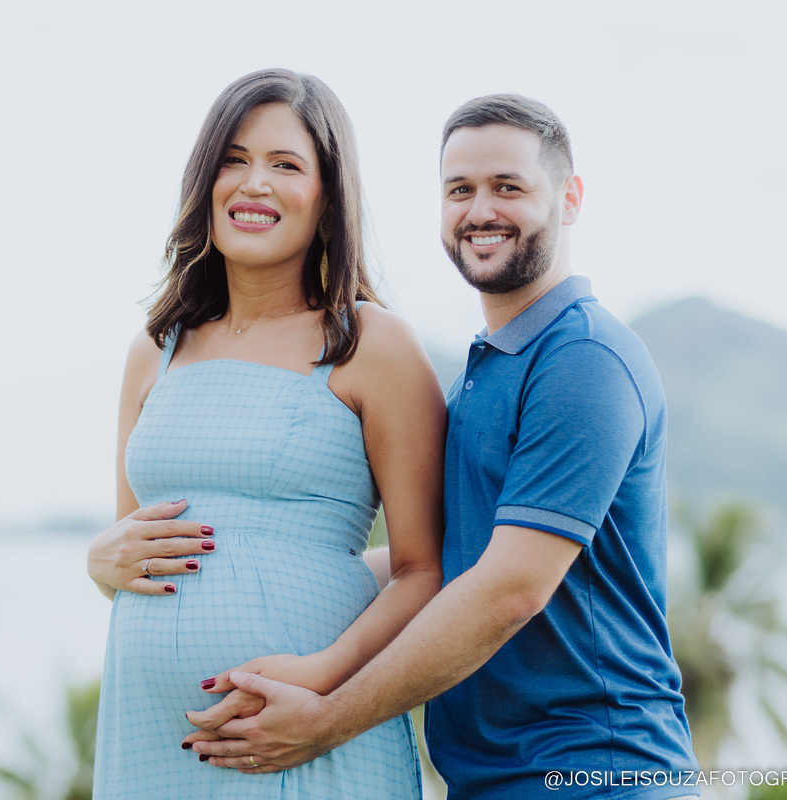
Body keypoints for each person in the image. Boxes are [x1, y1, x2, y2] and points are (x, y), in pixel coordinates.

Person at [184, 94, 700, 799]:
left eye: (508, 187)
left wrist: (326, 719)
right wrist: (236, 566)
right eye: (460, 190)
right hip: (492, 781)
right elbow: (439, 555)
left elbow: (507, 589)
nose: (479, 210)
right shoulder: (483, 372)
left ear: (569, 198)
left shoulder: (583, 359)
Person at [86, 68, 446, 799]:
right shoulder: (154, 350)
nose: (255, 184)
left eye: (286, 165)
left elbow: (424, 573)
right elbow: (136, 548)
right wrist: (100, 563)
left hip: (303, 732)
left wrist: (321, 681)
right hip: (150, 735)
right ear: (205, 182)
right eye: (235, 159)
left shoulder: (370, 343)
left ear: (326, 196)